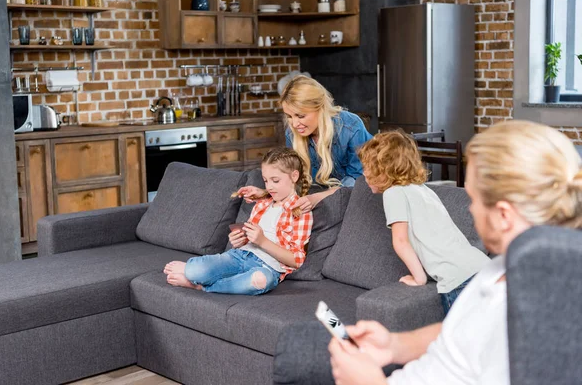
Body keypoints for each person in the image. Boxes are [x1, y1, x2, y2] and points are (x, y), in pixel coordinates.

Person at [328, 120, 582, 385]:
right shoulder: (495, 270)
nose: (470, 210)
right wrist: (393, 345)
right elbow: (467, 332)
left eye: (473, 199)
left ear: (504, 216)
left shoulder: (535, 312)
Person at [358, 130, 489, 314]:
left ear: (385, 168)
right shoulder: (423, 190)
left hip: (457, 280)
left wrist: (418, 278)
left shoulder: (393, 193)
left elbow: (401, 241)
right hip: (481, 268)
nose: (364, 172)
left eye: (367, 166)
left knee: (459, 339)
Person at [163, 147, 313, 295]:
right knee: (195, 270)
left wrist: (262, 241)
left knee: (260, 281)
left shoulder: (300, 211)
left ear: (294, 176)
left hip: (268, 268)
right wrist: (239, 240)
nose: (269, 187)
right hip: (240, 256)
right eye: (266, 181)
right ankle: (194, 272)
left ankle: (202, 287)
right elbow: (248, 241)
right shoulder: (262, 204)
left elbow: (296, 260)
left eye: (275, 180)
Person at [238, 75, 372, 213]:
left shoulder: (351, 127)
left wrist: (317, 198)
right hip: (318, 198)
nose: (295, 124)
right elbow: (293, 177)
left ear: (320, 108)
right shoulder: (292, 133)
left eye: (300, 116)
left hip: (353, 200)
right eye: (289, 116)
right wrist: (267, 193)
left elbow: (359, 182)